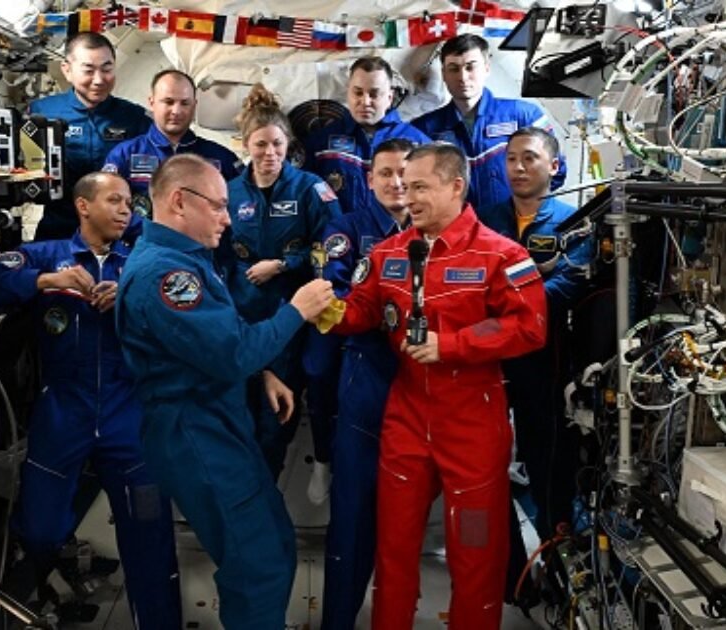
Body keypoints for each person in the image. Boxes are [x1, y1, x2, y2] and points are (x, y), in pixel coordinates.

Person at [326, 143, 548, 629]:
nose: (408, 195)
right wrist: (328, 310)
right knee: (396, 544)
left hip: (473, 422)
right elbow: (364, 311)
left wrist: (455, 344)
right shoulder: (387, 254)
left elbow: (530, 325)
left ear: (455, 186)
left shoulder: (501, 255)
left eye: (420, 186)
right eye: (406, 185)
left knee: (474, 550)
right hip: (406, 418)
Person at [115, 154, 335, 629]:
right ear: (178, 202)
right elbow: (231, 352)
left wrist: (262, 374)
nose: (226, 216)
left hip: (221, 421)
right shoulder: (167, 278)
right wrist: (295, 311)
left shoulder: (189, 260)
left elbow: (211, 338)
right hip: (195, 432)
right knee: (257, 568)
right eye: (217, 206)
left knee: (274, 542)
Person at [0, 172, 180, 628]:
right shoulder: (49, 256)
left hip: (129, 411)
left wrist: (131, 294)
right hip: (63, 410)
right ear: (83, 206)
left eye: (129, 202)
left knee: (149, 538)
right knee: (40, 529)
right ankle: (50, 583)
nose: (126, 210)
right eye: (115, 200)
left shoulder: (143, 262)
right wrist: (44, 280)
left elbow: (183, 309)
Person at [308, 137, 414, 630]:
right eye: (387, 173)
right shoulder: (346, 229)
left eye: (406, 176)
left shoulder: (436, 232)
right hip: (366, 373)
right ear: (369, 179)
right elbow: (335, 289)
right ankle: (337, 622)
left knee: (408, 517)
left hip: (423, 378)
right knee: (351, 513)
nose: (397, 184)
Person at [479, 127, 595, 543]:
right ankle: (509, 571)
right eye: (511, 159)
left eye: (529, 158)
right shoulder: (485, 219)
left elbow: (566, 287)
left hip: (544, 362)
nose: (518, 167)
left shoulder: (574, 223)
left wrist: (507, 311)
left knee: (546, 461)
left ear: (554, 165)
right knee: (482, 467)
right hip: (488, 360)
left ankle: (553, 552)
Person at [224, 84, 342, 481]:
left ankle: (265, 502)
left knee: (275, 425)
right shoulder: (228, 191)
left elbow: (333, 248)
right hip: (240, 321)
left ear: (288, 143)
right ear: (246, 145)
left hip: (290, 321)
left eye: (277, 144)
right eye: (260, 145)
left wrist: (283, 264)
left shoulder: (310, 188)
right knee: (236, 424)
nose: (269, 153)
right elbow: (216, 253)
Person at [412, 34, 566, 213]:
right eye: (454, 69)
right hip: (455, 232)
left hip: (514, 230)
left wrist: (525, 213)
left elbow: (556, 172)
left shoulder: (525, 117)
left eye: (471, 67)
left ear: (486, 68)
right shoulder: (424, 129)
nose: (463, 77)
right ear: (444, 74)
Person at [29, 33, 151, 240]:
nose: (99, 80)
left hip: (119, 233)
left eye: (107, 69)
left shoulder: (135, 118)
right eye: (88, 70)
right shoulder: (42, 113)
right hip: (60, 229)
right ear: (67, 70)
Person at [102, 69, 240, 219]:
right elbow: (106, 207)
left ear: (194, 106)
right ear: (152, 102)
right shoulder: (124, 154)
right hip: (144, 240)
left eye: (185, 103)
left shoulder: (222, 158)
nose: (176, 111)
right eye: (168, 102)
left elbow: (245, 206)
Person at [302, 56, 430, 215]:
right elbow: (306, 198)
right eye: (358, 93)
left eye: (374, 94)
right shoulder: (320, 144)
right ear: (348, 92)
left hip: (399, 237)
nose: (365, 101)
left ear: (390, 97)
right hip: (341, 236)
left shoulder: (419, 145)